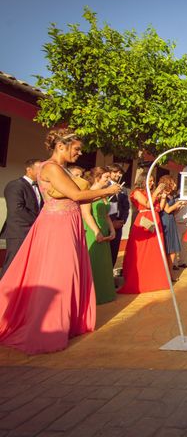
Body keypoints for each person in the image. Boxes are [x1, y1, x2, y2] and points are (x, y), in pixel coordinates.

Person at [0, 129, 120, 354]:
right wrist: (109, 189)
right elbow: (75, 195)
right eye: (76, 149)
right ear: (61, 147)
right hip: (57, 226)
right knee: (58, 274)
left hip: (67, 224)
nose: (80, 153)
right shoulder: (51, 167)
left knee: (68, 272)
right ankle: (49, 327)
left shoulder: (60, 169)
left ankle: (66, 322)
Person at [118, 174, 170, 294]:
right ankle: (140, 279)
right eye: (150, 181)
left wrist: (163, 197)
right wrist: (156, 193)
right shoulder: (137, 192)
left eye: (153, 181)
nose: (152, 183)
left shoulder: (152, 193)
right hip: (144, 219)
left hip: (155, 219)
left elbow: (160, 208)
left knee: (155, 249)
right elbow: (147, 204)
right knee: (142, 250)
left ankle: (154, 278)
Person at [0, 159, 42, 277]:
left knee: (27, 267)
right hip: (19, 232)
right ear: (29, 169)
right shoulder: (15, 185)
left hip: (34, 232)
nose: (42, 172)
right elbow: (17, 209)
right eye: (39, 169)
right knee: (12, 265)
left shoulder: (40, 188)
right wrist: (39, 222)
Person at [81, 167, 117, 304]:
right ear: (97, 178)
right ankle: (92, 296)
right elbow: (86, 214)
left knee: (103, 263)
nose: (108, 180)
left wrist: (112, 229)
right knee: (93, 262)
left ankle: (104, 293)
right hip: (92, 229)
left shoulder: (103, 194)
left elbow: (106, 214)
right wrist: (96, 231)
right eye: (106, 178)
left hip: (105, 229)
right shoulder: (88, 193)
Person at [158, 176, 186, 277]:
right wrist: (177, 204)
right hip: (165, 222)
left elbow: (173, 212)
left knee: (173, 250)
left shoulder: (171, 196)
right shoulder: (162, 195)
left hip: (171, 221)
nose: (175, 184)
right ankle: (166, 274)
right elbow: (167, 210)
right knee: (168, 249)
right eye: (173, 182)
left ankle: (169, 273)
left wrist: (179, 206)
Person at [106, 164, 130, 267]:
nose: (118, 175)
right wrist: (111, 223)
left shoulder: (123, 189)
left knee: (114, 253)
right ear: (109, 173)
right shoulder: (105, 186)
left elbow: (126, 207)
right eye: (115, 172)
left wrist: (122, 221)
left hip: (118, 225)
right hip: (106, 224)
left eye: (120, 173)